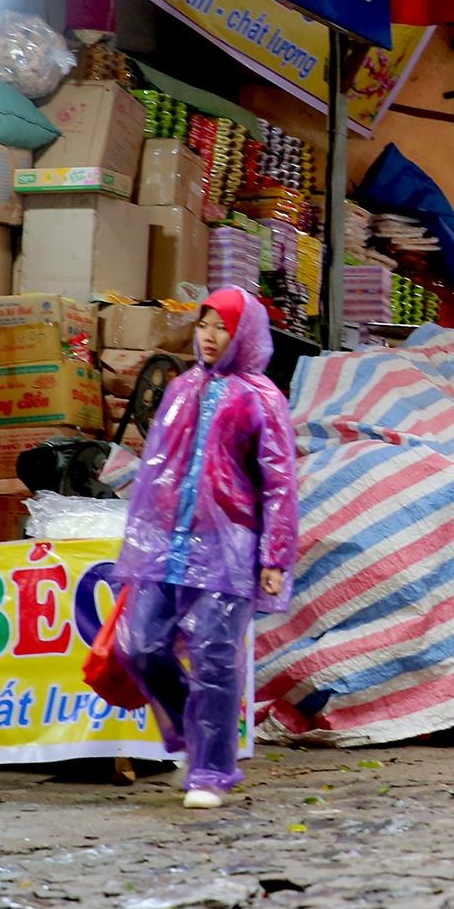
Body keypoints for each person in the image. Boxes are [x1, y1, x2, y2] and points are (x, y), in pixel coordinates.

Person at [114, 287, 298, 808]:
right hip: (169, 543)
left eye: (222, 327)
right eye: (204, 325)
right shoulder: (180, 391)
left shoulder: (261, 399)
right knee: (142, 646)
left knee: (216, 659)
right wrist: (142, 535)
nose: (210, 336)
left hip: (230, 547)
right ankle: (193, 738)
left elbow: (280, 483)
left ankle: (211, 772)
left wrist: (275, 558)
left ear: (244, 334)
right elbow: (155, 469)